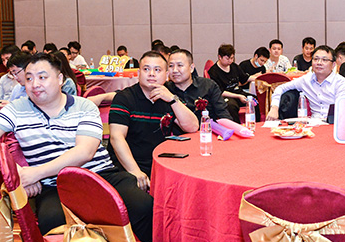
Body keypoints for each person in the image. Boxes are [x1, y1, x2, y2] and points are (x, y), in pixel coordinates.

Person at [0, 52, 153, 242]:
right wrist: (20, 174)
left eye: (42, 77)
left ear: (60, 79)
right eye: (29, 78)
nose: (35, 84)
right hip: (54, 185)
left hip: (100, 175)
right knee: (52, 221)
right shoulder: (16, 109)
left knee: (143, 206)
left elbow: (84, 152)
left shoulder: (84, 106)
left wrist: (35, 173)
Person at [108, 51, 199, 190]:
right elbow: (116, 137)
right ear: (138, 73)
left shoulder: (168, 97)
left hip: (159, 164)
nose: (151, 74)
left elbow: (192, 127)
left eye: (157, 70)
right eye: (146, 69)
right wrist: (135, 171)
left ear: (166, 75)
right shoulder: (124, 98)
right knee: (144, 201)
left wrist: (173, 100)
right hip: (126, 166)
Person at [266, 45, 345, 121]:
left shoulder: (341, 82)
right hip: (313, 123)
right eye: (316, 59)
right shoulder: (306, 80)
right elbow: (280, 88)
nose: (319, 63)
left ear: (333, 65)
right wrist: (274, 108)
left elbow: (344, 110)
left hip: (335, 123)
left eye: (324, 60)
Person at [165, 49, 232, 121]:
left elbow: (224, 115)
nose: (174, 70)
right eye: (171, 66)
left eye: (180, 65)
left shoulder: (208, 86)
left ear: (191, 68)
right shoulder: (165, 90)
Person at [207, 44, 256, 120]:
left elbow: (245, 78)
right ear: (220, 57)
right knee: (231, 106)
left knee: (255, 100)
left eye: (232, 58)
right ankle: (236, 126)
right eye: (227, 58)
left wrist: (259, 78)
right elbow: (220, 92)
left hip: (238, 92)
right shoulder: (213, 71)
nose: (230, 61)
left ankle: (257, 123)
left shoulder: (234, 66)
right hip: (226, 96)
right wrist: (238, 96)